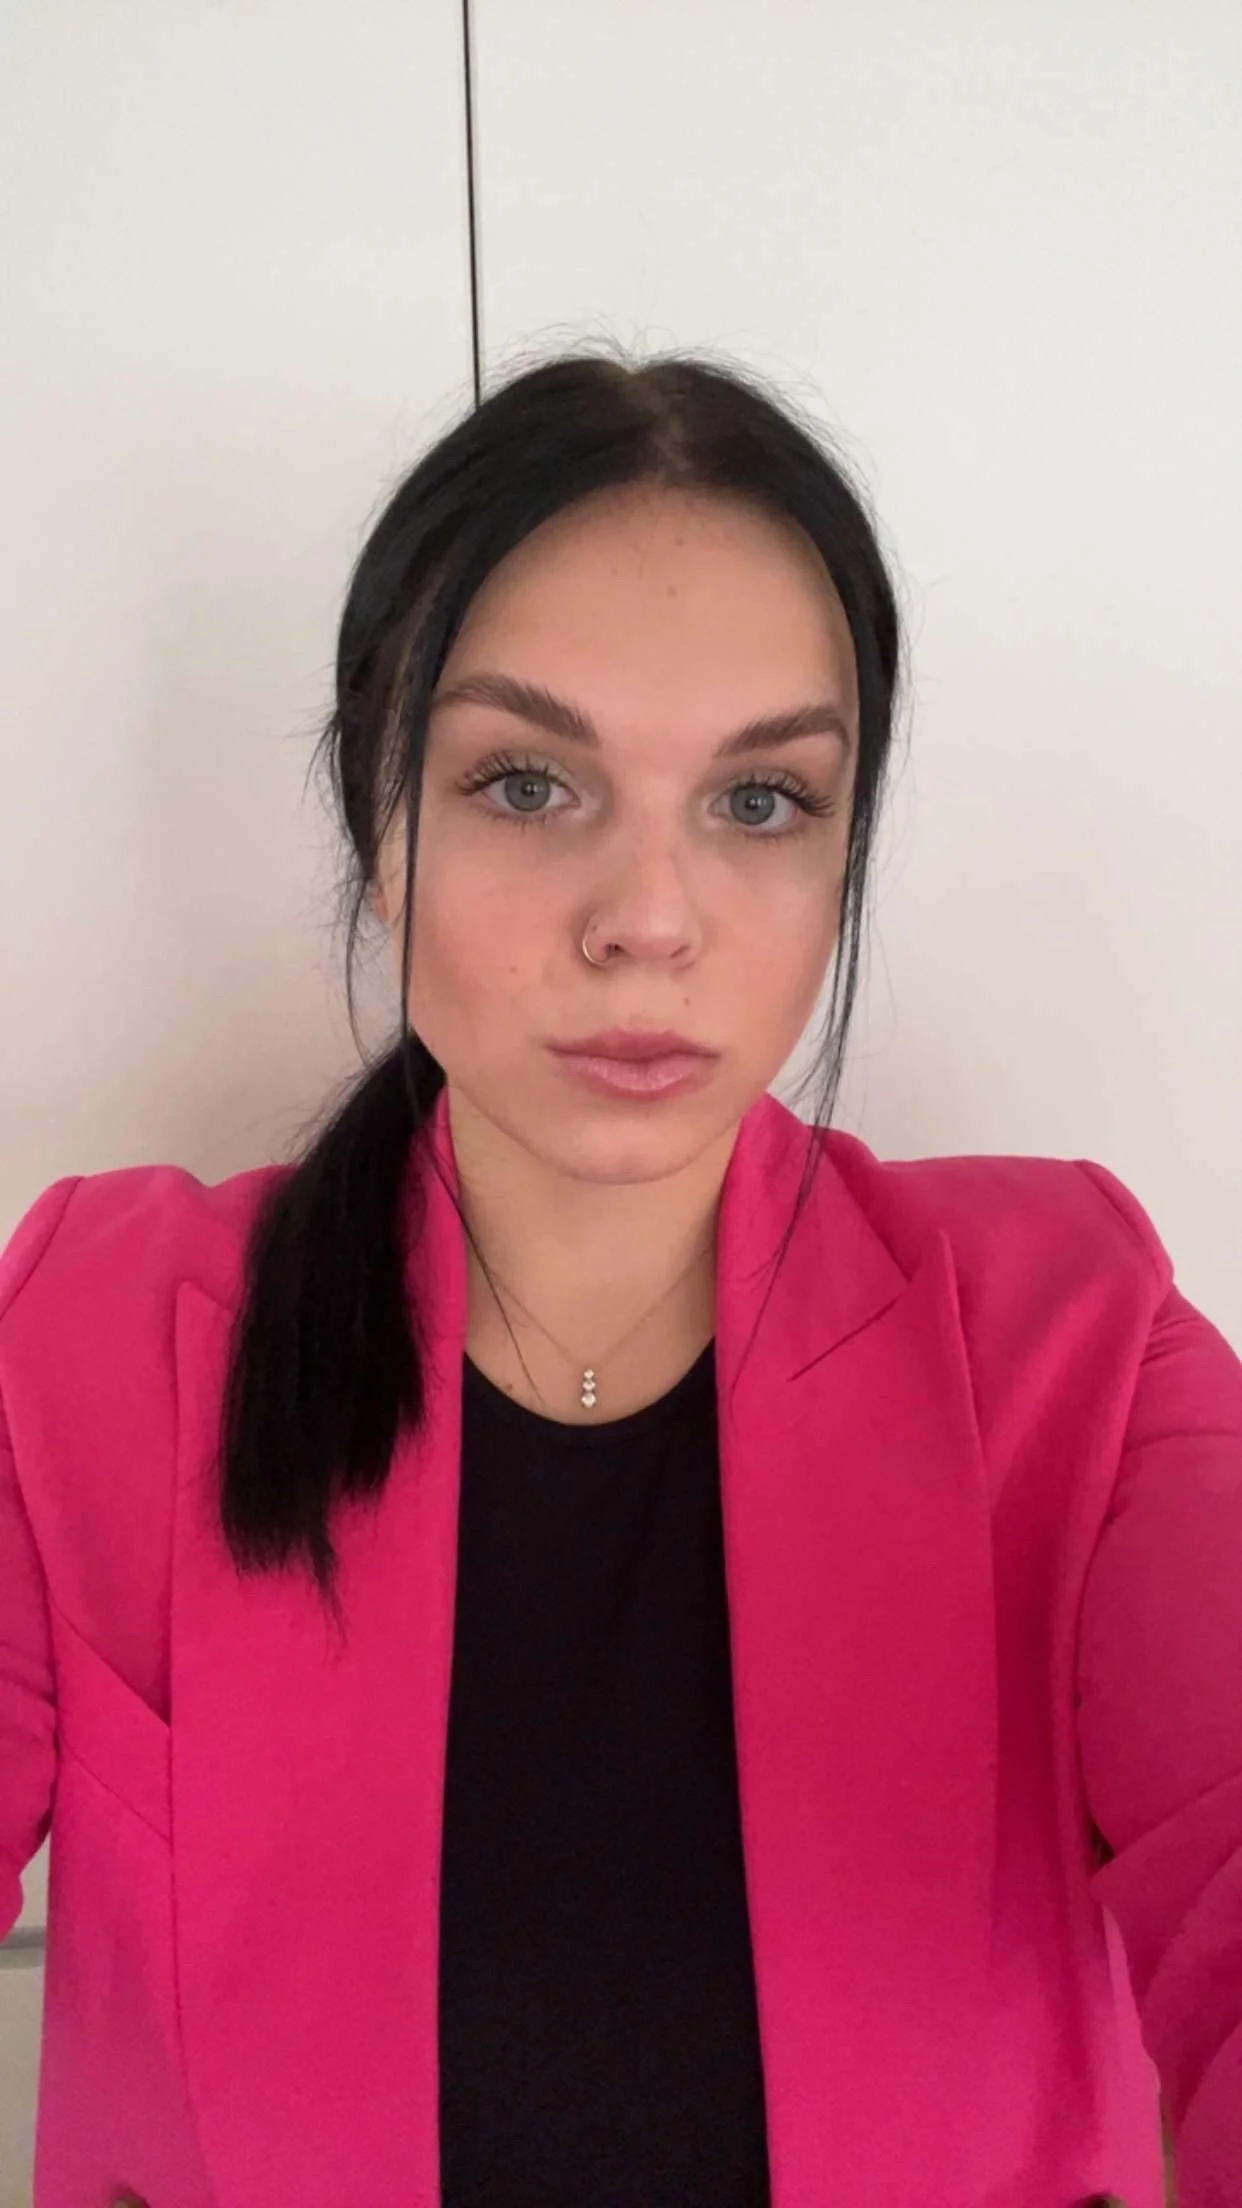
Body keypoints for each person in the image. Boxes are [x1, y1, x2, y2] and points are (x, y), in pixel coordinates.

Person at [0, 345, 1236, 2208]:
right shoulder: (91, 1337)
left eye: (761, 802)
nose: (648, 920)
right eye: (525, 783)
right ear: (379, 825)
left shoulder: (1073, 1336)